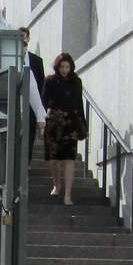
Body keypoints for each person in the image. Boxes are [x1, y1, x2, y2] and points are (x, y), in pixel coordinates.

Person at [41, 53, 87, 206]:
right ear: (57, 67)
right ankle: (56, 184)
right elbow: (43, 101)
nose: (65, 70)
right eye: (62, 66)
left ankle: (68, 195)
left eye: (67, 67)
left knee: (69, 159)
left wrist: (83, 126)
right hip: (54, 121)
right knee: (53, 159)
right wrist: (41, 119)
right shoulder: (50, 81)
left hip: (71, 123)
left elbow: (79, 104)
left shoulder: (76, 82)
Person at [20, 27, 46, 161]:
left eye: (24, 38)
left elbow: (40, 85)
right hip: (16, 103)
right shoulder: (11, 60)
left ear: (28, 39)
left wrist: (41, 113)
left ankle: (27, 162)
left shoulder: (36, 61)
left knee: (30, 133)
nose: (23, 42)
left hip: (31, 104)